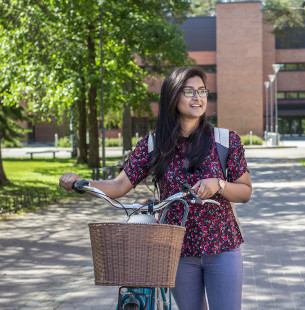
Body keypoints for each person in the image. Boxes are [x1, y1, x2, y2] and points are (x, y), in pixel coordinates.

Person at [59, 66, 252, 310]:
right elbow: (120, 185)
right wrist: (82, 183)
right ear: (173, 96)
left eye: (202, 91)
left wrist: (219, 184)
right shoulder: (153, 144)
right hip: (175, 249)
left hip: (222, 245)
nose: (198, 98)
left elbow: (245, 191)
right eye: (189, 91)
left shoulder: (225, 140)